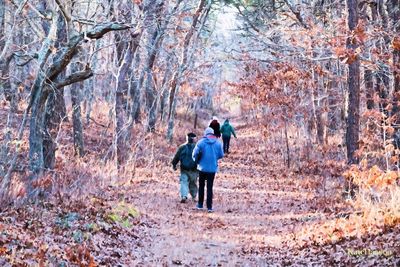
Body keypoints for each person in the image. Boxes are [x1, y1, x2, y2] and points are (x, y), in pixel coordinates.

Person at [192, 127, 224, 213]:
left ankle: (200, 205)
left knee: (201, 186)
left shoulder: (201, 142)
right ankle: (209, 207)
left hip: (202, 168)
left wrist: (197, 160)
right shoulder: (218, 143)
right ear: (212, 133)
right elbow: (221, 154)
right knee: (210, 187)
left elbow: (194, 154)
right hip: (212, 168)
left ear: (205, 134)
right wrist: (214, 157)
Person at [171, 132, 198, 203]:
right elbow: (201, 158)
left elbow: (176, 157)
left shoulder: (182, 147)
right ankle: (191, 196)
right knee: (191, 183)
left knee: (185, 183)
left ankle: (186, 196)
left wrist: (174, 164)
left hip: (186, 169)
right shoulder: (197, 147)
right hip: (192, 169)